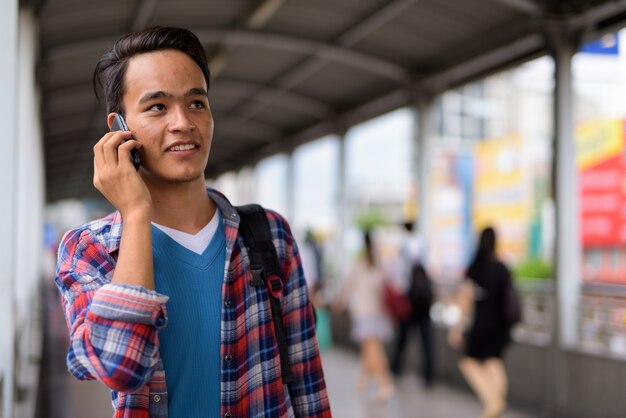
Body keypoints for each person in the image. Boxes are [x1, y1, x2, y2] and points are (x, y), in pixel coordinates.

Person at [54, 26, 331, 418]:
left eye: (197, 103)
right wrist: (136, 214)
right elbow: (120, 367)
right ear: (118, 128)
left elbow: (307, 382)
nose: (183, 122)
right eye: (157, 107)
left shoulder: (269, 236)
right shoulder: (91, 249)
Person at [448, 226, 511, 418]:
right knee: (494, 362)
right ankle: (496, 403)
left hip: (481, 325)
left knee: (469, 362)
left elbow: (464, 300)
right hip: (500, 327)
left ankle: (493, 403)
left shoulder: (476, 268)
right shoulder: (502, 269)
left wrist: (457, 328)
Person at [333, 230, 395, 401]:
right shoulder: (381, 266)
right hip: (380, 313)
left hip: (365, 313)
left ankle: (385, 384)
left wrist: (339, 302)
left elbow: (347, 287)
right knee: (369, 349)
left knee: (373, 350)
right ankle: (364, 379)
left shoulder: (359, 265)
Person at [390, 221, 435, 387]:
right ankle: (429, 376)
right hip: (423, 300)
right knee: (427, 341)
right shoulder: (422, 244)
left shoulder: (402, 248)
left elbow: (398, 278)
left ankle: (396, 368)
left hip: (410, 298)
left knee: (402, 337)